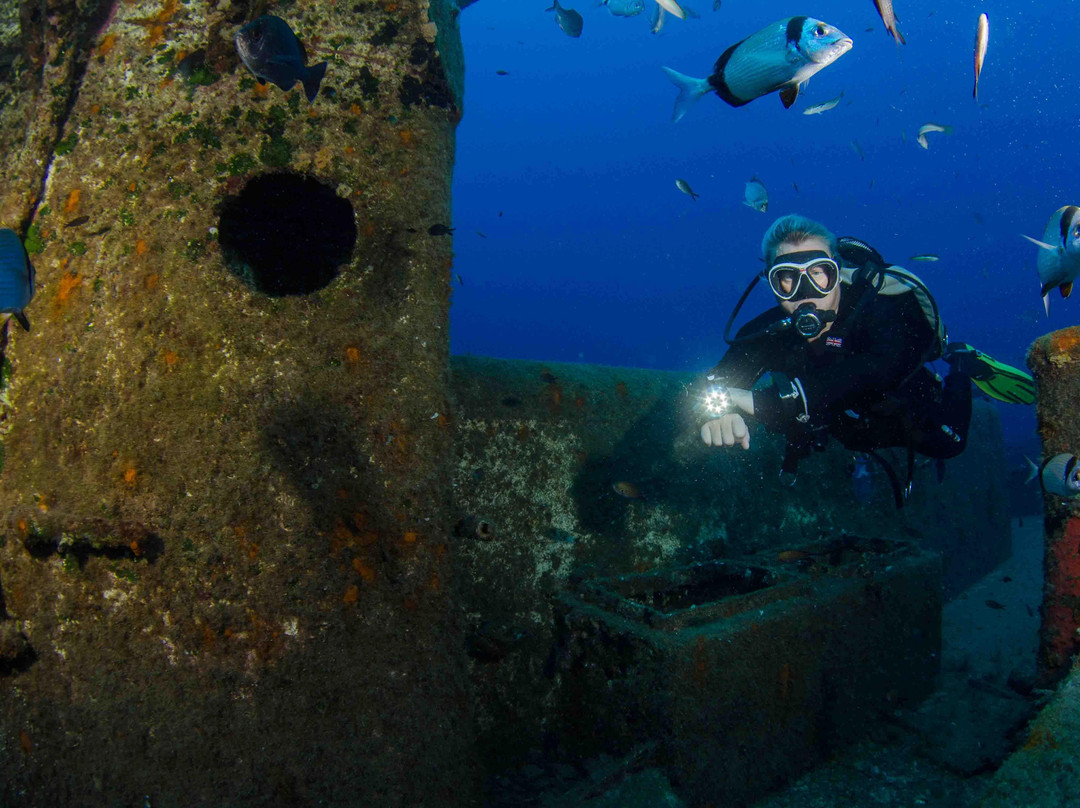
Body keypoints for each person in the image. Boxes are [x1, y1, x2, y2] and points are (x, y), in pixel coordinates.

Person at [698, 214, 1034, 500]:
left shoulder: (878, 310)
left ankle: (960, 364)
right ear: (772, 284)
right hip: (841, 424)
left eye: (818, 273)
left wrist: (769, 403)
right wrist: (712, 412)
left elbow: (876, 369)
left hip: (894, 409)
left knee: (949, 443)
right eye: (787, 278)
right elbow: (708, 386)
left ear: (837, 272)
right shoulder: (767, 332)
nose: (804, 294)